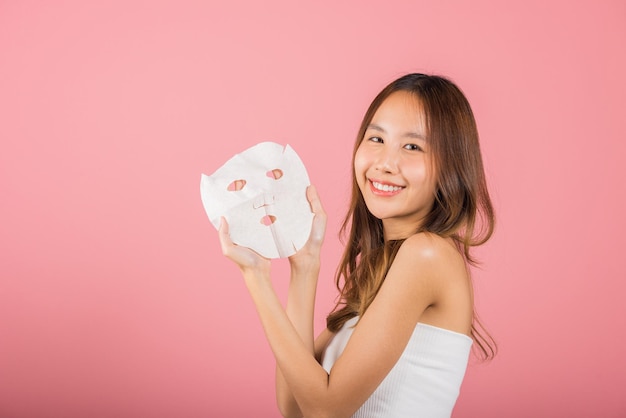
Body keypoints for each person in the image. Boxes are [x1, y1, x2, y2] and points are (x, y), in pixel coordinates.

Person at [218, 73, 495, 417]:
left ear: (450, 166)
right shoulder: (384, 269)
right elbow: (294, 406)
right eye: (376, 138)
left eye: (412, 146)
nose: (385, 163)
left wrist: (256, 278)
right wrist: (305, 267)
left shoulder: (427, 254)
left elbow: (325, 411)